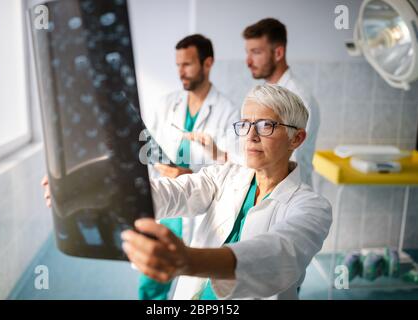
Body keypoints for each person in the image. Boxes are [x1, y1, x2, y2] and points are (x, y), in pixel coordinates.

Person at [119, 83, 332, 300]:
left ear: (296, 138)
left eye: (266, 125)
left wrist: (188, 260)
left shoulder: (313, 208)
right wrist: (121, 194)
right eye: (245, 125)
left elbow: (279, 255)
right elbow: (176, 191)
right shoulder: (225, 176)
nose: (251, 136)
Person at [140, 34, 239, 299]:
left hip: (200, 210)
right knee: (151, 283)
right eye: (177, 65)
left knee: (193, 286)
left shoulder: (229, 111)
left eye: (187, 65)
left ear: (208, 63)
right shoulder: (166, 104)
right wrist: (158, 164)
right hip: (168, 205)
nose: (180, 72)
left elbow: (233, 168)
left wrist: (190, 175)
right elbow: (145, 147)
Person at [242, 18, 320, 187]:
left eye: (256, 52)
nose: (248, 61)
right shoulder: (262, 93)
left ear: (278, 53)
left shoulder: (298, 99)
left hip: (288, 191)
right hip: (264, 187)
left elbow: (288, 160)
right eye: (247, 53)